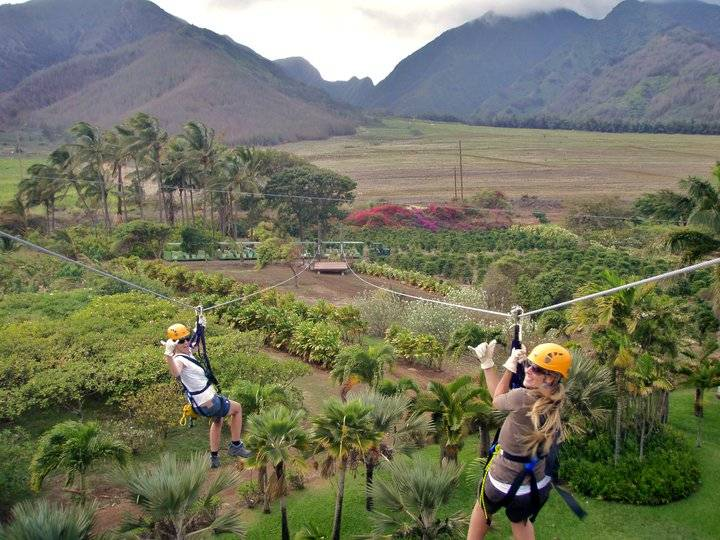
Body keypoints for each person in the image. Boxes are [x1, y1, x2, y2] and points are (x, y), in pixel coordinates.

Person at [466, 340, 572, 540]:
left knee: (482, 508)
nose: (529, 370)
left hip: (502, 481)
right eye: (530, 365)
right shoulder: (556, 398)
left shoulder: (523, 398)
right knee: (520, 521)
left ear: (551, 378)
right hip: (534, 485)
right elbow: (512, 395)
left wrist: (502, 366)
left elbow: (497, 400)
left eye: (537, 369)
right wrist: (521, 364)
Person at [163, 322, 251, 468]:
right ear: (174, 344)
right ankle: (236, 446)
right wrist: (168, 355)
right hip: (209, 402)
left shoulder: (187, 352)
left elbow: (194, 345)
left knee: (218, 420)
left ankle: (214, 457)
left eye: (187, 338)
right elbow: (176, 373)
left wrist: (200, 327)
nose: (186, 342)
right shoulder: (178, 360)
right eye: (181, 341)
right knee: (237, 409)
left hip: (201, 404)